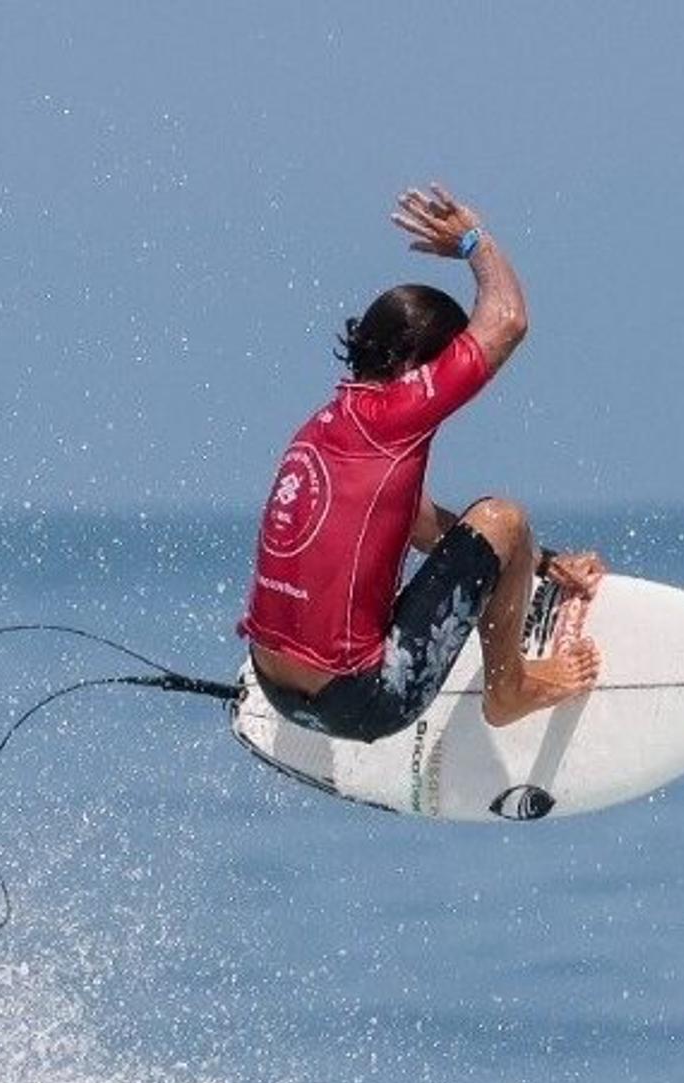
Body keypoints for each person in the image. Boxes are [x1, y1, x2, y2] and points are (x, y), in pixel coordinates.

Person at [242, 186, 604, 740]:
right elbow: (508, 320)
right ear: (416, 364)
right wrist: (473, 240)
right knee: (503, 515)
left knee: (501, 534)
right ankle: (510, 690)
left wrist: (538, 562)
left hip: (274, 687)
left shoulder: (324, 428)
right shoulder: (397, 412)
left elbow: (422, 526)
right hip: (361, 700)